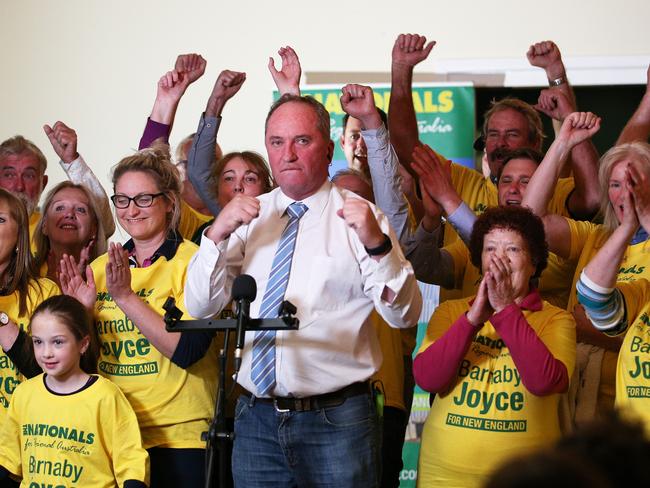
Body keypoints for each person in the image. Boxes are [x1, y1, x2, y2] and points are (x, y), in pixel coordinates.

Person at [185, 94, 421, 487]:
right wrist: (215, 235)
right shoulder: (246, 217)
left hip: (337, 421)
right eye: (277, 142)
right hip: (255, 419)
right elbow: (200, 306)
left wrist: (377, 245)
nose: (288, 154)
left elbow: (404, 315)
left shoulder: (361, 216)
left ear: (328, 149)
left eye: (302, 141)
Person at [59, 148, 217, 487]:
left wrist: (126, 298)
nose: (131, 210)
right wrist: (80, 317)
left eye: (144, 199)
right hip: (114, 432)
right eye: (122, 200)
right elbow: (82, 365)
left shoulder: (195, 262)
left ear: (169, 202)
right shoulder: (100, 269)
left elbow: (187, 351)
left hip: (180, 437)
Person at [413, 206, 576, 487]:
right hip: (443, 474)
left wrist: (504, 310)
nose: (499, 259)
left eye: (512, 249)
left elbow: (545, 383)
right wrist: (473, 319)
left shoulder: (557, 319)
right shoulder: (451, 312)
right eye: (490, 249)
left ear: (534, 262)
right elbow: (429, 379)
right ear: (480, 259)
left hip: (529, 478)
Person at [407, 112, 600, 309]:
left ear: (545, 188)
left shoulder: (557, 239)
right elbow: (425, 267)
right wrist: (430, 221)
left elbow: (524, 228)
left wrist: (449, 199)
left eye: (526, 181)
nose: (513, 188)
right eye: (506, 181)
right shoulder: (484, 239)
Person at [0, 295, 149, 487]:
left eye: (58, 342)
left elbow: (131, 461)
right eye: (38, 342)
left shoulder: (105, 396)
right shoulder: (24, 393)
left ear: (83, 344)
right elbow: (8, 456)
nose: (46, 353)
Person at [576, 158, 650, 433]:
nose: (627, 195)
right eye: (616, 184)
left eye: (635, 186)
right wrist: (629, 226)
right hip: (635, 446)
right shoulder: (644, 291)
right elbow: (593, 299)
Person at [0, 122, 114, 244]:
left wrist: (72, 161)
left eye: (29, 176)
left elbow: (103, 227)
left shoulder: (53, 226)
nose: (19, 186)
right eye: (9, 175)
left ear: (43, 183)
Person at [0, 190, 59, 426]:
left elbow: (56, 378)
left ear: (19, 236)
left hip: (30, 438)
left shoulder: (44, 293)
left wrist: (5, 326)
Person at [32, 181, 108, 286]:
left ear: (93, 229)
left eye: (80, 209)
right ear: (44, 225)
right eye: (60, 208)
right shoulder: (24, 274)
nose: (69, 214)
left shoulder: (110, 276)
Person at [191, 150, 274, 243]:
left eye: (250, 179)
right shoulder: (203, 233)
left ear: (266, 189)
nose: (238, 186)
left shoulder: (277, 231)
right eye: (229, 178)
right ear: (217, 188)